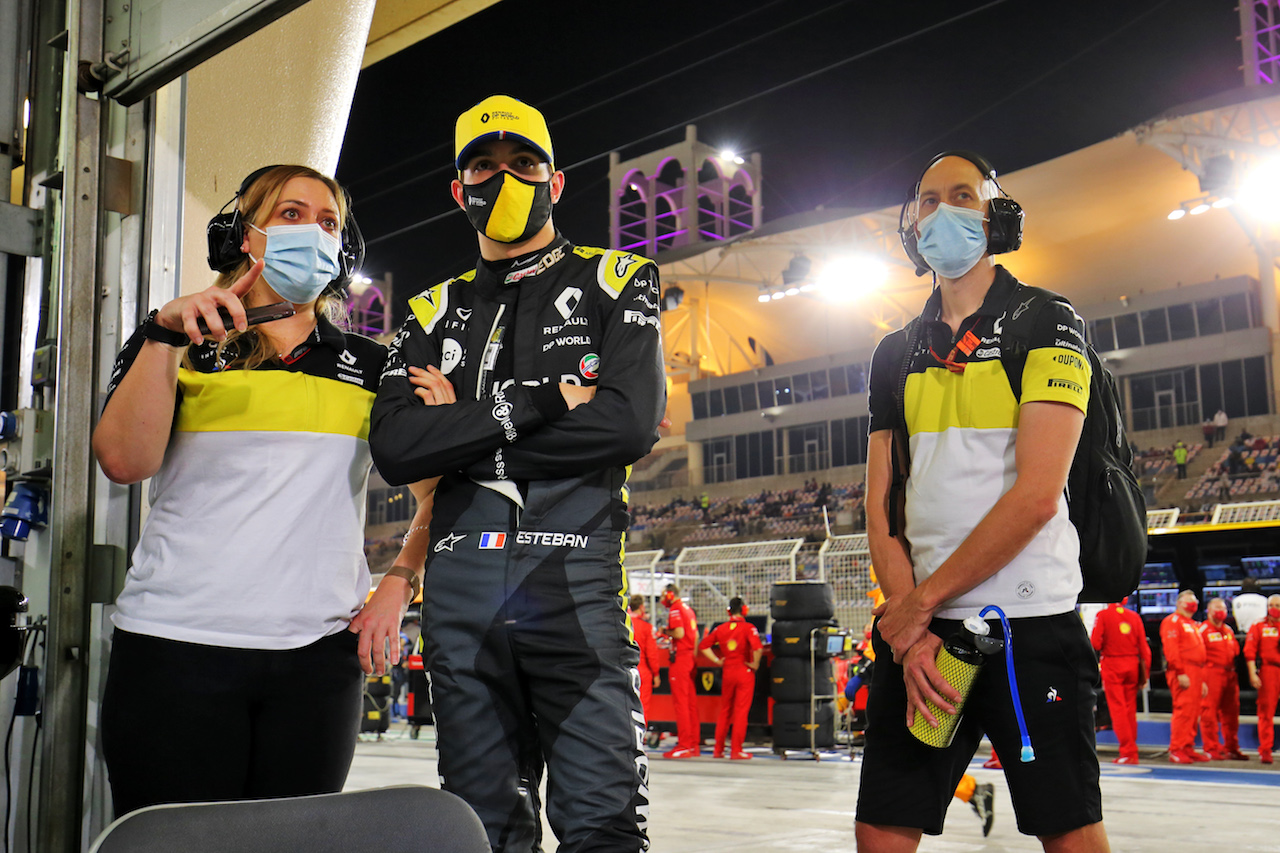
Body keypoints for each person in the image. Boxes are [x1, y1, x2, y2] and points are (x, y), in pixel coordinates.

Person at [367, 95, 663, 852]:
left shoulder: (621, 278)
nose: (505, 179)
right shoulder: (429, 311)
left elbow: (626, 425)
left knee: (604, 828)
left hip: (576, 589)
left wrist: (457, 434)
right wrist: (537, 407)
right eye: (484, 166)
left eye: (524, 163)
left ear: (555, 182)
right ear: (458, 189)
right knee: (479, 833)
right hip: (460, 603)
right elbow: (398, 451)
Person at [92, 165, 433, 815]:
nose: (315, 232)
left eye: (329, 223)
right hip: (173, 648)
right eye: (291, 214)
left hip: (318, 665)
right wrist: (164, 335)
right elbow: (124, 460)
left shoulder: (373, 364)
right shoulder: (177, 340)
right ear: (245, 236)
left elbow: (436, 489)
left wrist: (399, 581)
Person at [857, 151, 1108, 851]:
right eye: (928, 200)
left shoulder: (1049, 321)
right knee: (880, 827)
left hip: (1030, 624)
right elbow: (877, 508)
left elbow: (1035, 497)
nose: (942, 211)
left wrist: (916, 602)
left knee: (1070, 831)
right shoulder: (894, 352)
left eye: (961, 195)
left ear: (996, 214)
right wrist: (911, 633)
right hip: (927, 637)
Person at [697, 597, 763, 759]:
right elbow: (758, 648)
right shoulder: (748, 628)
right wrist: (755, 664)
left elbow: (703, 645)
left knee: (725, 710)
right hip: (744, 671)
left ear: (728, 611)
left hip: (727, 671)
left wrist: (717, 660)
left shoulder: (721, 629)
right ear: (744, 610)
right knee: (741, 711)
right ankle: (736, 750)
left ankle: (718, 749)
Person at [1090, 597, 1151, 764]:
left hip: (1113, 665)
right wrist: (1145, 674)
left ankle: (1127, 752)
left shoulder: (1103, 615)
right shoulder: (1134, 616)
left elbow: (1095, 642)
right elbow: (1144, 648)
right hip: (1133, 665)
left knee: (1118, 709)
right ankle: (1132, 751)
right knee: (1130, 710)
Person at [1160, 590, 1210, 763]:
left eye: (1194, 600)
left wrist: (1202, 679)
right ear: (1179, 603)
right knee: (1183, 710)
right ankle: (1177, 749)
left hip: (1196, 671)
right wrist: (1180, 672)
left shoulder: (1192, 624)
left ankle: (1188, 747)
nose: (1192, 603)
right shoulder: (1172, 621)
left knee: (1194, 711)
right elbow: (1171, 650)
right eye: (1189, 600)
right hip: (1183, 670)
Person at [1199, 598, 1247, 760]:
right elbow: (1198, 656)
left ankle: (1231, 748)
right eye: (1217, 608)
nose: (1221, 611)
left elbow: (1235, 652)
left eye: (1223, 608)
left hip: (1230, 674)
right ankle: (1211, 747)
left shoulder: (1228, 630)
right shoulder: (1203, 630)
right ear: (1209, 611)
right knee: (1209, 712)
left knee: (1231, 714)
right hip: (1211, 673)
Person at [661, 583, 702, 758]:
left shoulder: (676, 610)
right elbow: (696, 636)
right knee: (690, 703)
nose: (662, 599)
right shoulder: (688, 609)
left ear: (670, 595)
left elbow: (678, 633)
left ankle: (684, 744)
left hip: (680, 659)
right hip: (689, 658)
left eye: (663, 595)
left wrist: (665, 631)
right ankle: (693, 744)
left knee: (681, 703)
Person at [1244, 594, 1280, 764]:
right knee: (1266, 712)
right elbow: (1249, 651)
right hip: (1269, 671)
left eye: (1278, 605)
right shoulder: (1259, 625)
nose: (1274, 608)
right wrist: (1253, 673)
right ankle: (1265, 750)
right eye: (1271, 604)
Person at [629, 595, 662, 724]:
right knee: (642, 707)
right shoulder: (646, 628)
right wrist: (656, 674)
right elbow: (652, 654)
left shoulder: (623, 625)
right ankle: (640, 738)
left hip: (625, 669)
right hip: (642, 671)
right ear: (642, 607)